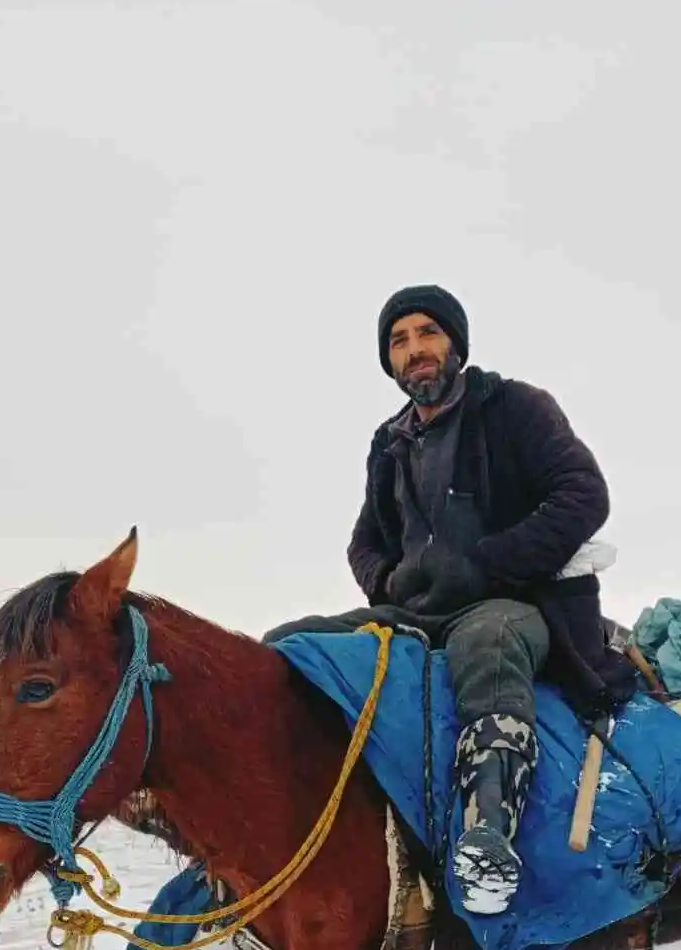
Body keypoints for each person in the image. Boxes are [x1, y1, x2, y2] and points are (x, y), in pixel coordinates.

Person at [264, 284, 635, 916]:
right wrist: (388, 583)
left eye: (427, 334)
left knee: (485, 644)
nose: (415, 351)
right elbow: (363, 541)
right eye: (399, 342)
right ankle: (273, 827)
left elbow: (582, 493)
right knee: (292, 645)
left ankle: (489, 834)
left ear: (455, 343)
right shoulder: (390, 442)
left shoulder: (515, 407)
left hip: (516, 604)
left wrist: (493, 560)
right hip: (413, 613)